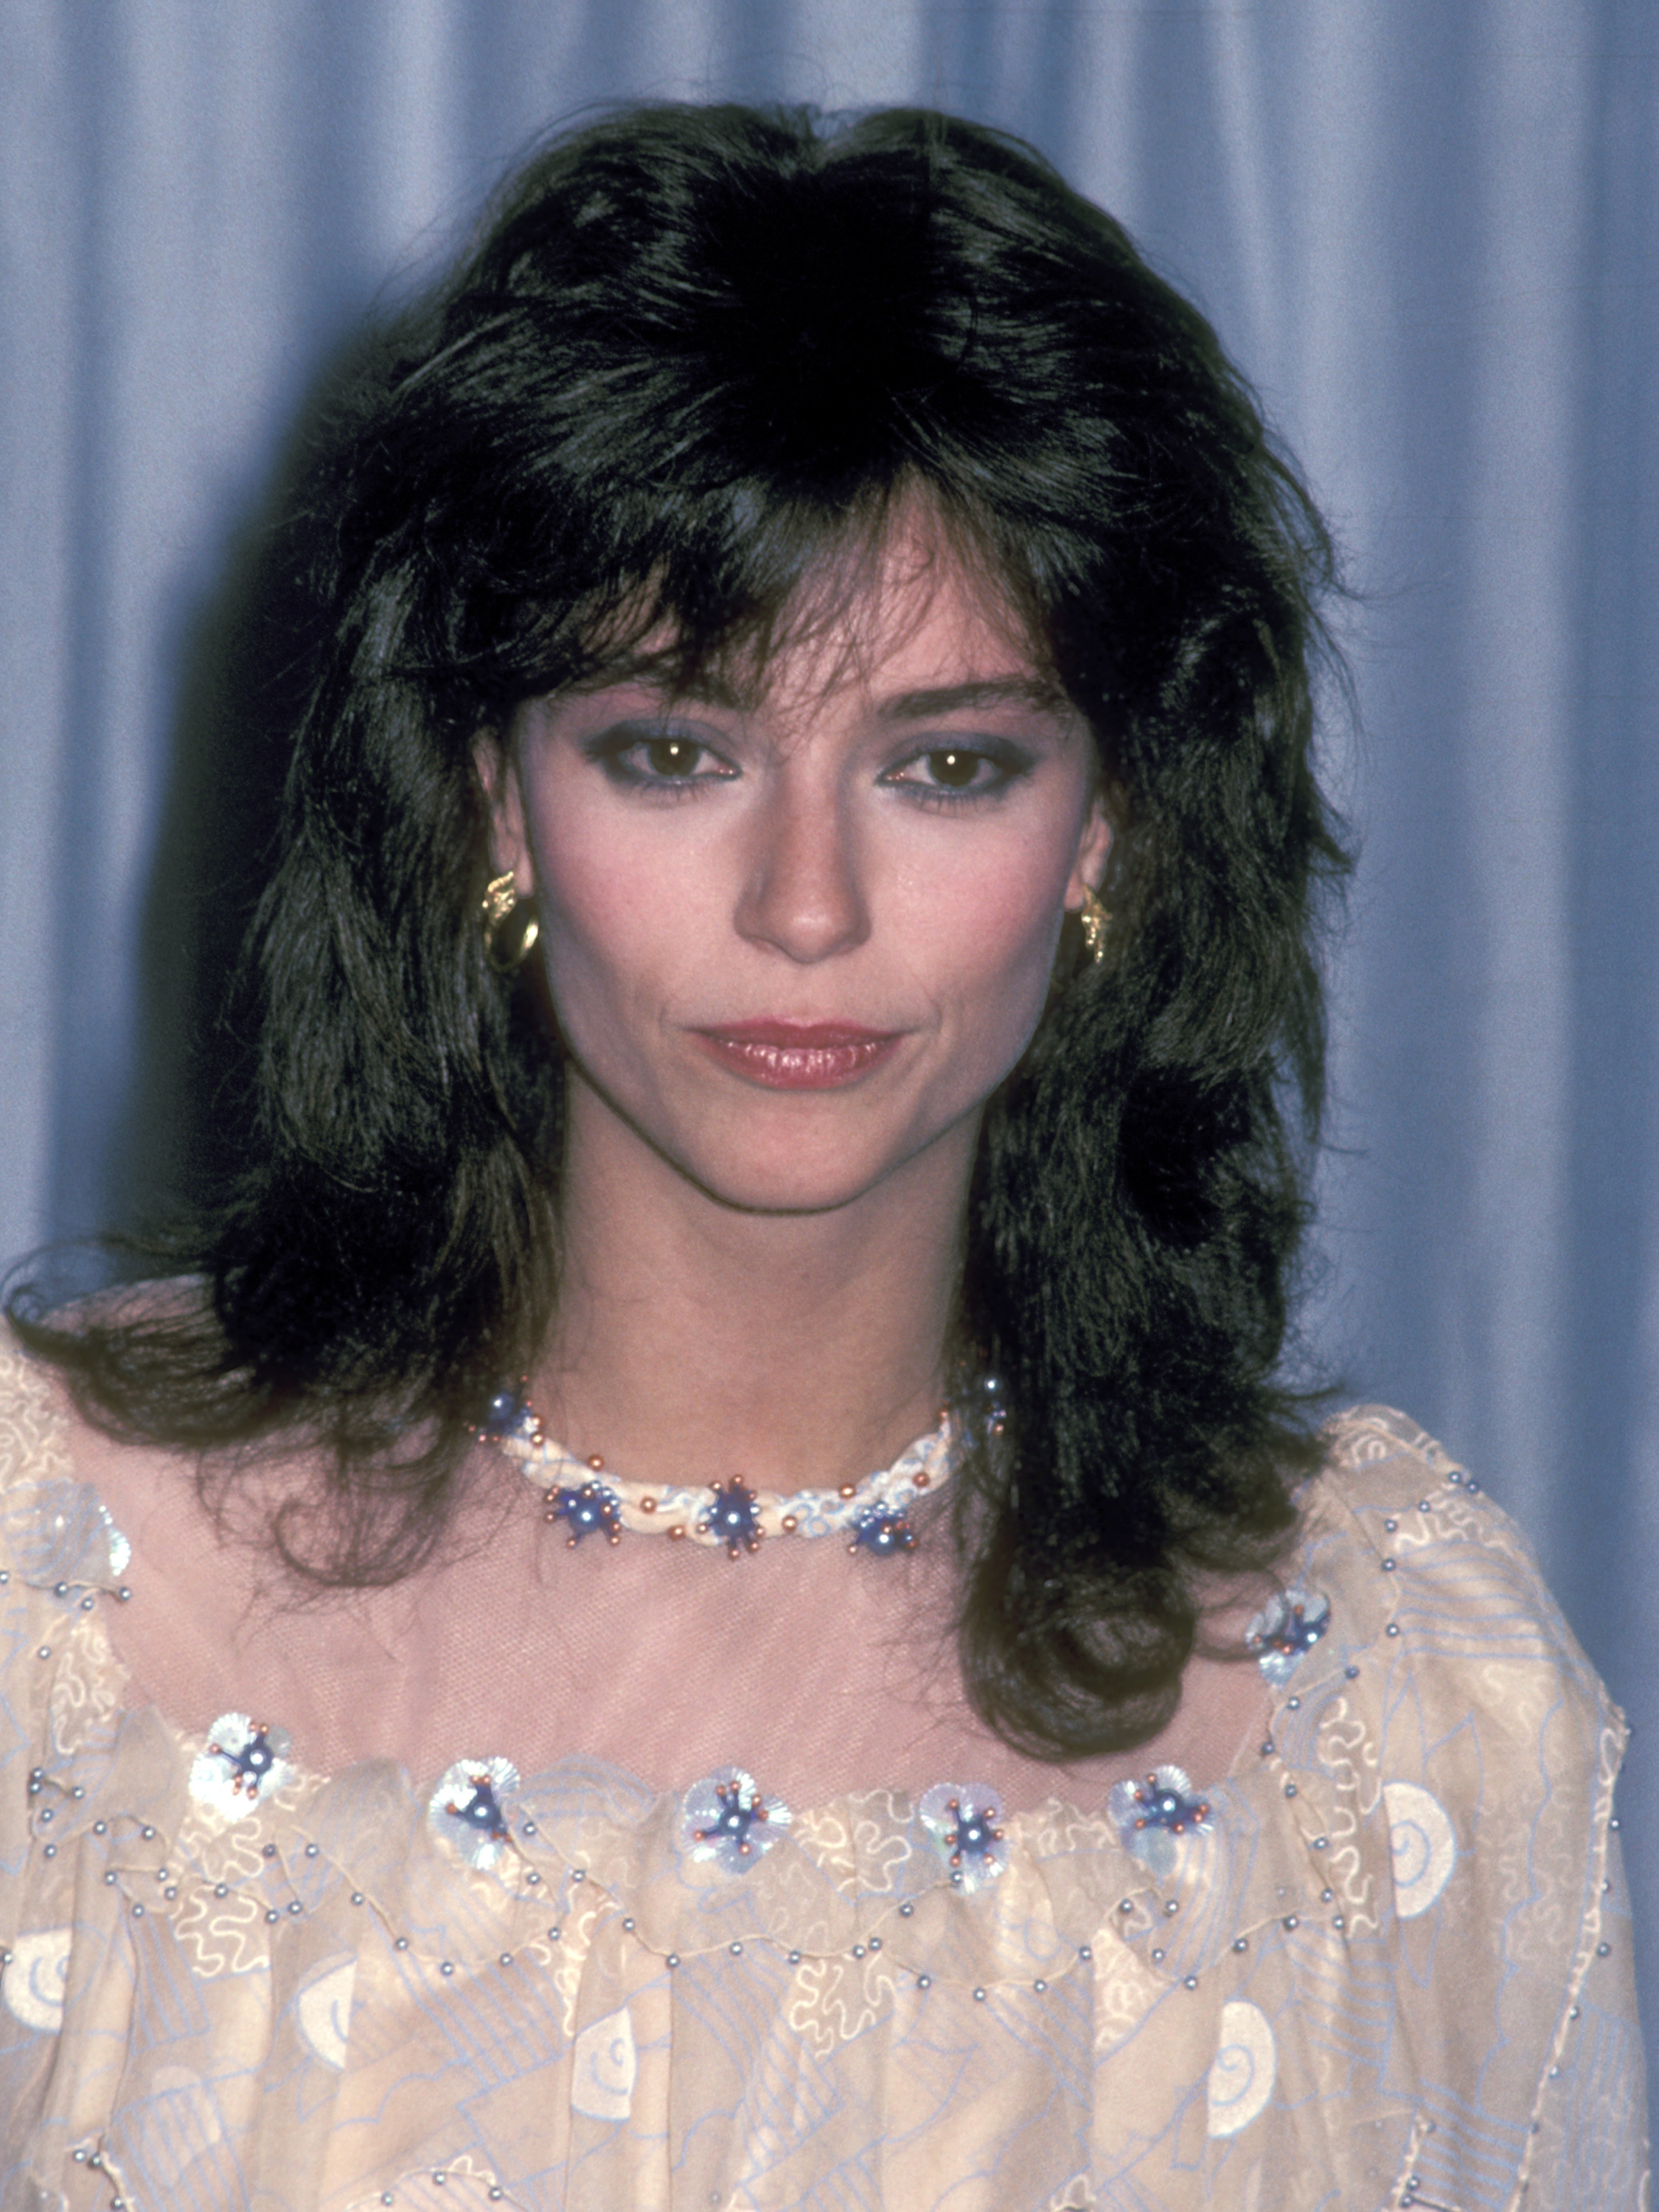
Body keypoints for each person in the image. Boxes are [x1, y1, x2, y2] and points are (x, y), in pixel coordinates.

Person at [0, 101, 1644, 2210]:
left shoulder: (1382, 1691)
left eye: (945, 766)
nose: (803, 904)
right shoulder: (64, 1597)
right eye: (671, 752)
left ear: (1107, 821)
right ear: (494, 801)